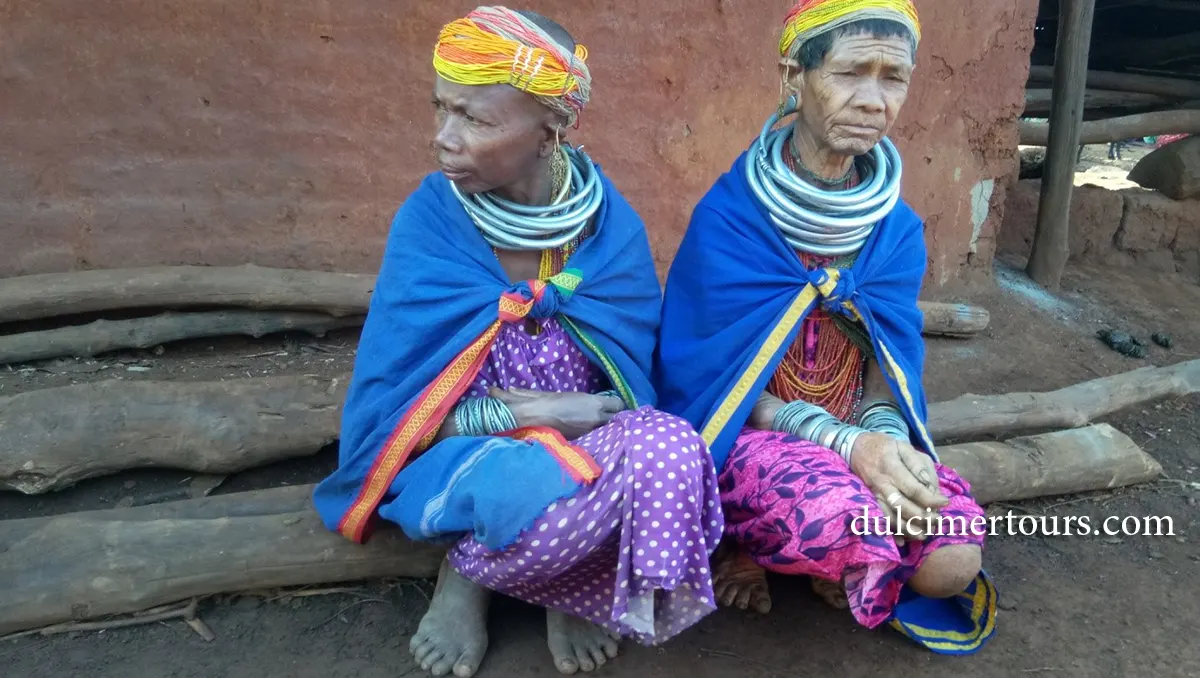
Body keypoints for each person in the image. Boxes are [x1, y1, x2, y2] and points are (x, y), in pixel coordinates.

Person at [312, 7, 722, 677]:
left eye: (476, 119)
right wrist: (533, 413)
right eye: (441, 109)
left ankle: (561, 584)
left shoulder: (604, 224)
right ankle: (466, 579)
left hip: (588, 446)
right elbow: (403, 412)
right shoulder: (430, 221)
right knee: (522, 484)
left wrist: (584, 422)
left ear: (551, 128)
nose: (445, 138)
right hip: (467, 454)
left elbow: (626, 385)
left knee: (676, 453)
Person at [654, 0, 997, 655]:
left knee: (953, 561)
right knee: (852, 519)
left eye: (893, 77)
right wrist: (844, 449)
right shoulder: (732, 220)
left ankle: (831, 553)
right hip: (753, 435)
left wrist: (887, 444)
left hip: (860, 429)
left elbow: (885, 371)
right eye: (850, 73)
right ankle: (757, 546)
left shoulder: (894, 231)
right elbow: (709, 385)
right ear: (794, 76)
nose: (874, 100)